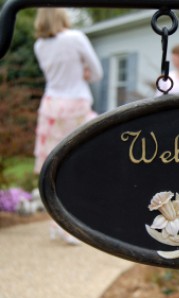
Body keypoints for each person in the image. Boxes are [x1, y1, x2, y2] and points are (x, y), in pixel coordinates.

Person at [33, 8, 103, 245]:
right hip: (76, 104)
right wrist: (83, 72)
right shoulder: (75, 38)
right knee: (78, 165)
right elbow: (97, 73)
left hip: (51, 106)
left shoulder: (39, 46)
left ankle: (57, 223)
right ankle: (73, 226)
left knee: (54, 167)